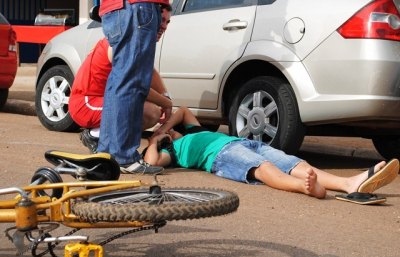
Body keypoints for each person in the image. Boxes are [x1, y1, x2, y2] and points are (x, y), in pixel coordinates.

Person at [144, 107, 399, 199]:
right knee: (264, 169)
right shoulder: (173, 150)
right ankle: (304, 188)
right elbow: (151, 161)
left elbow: (183, 110)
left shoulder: (192, 131)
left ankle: (348, 183)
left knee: (293, 161)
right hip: (221, 156)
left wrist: (165, 126)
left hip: (242, 142)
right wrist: (157, 140)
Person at [69, 6, 172, 156]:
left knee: (148, 108)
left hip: (102, 100)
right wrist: (166, 103)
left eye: (168, 22)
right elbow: (135, 84)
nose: (164, 26)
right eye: (161, 20)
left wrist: (166, 96)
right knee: (149, 112)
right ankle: (96, 136)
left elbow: (149, 70)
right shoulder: (121, 43)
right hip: (86, 103)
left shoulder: (135, 41)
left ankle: (111, 145)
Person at [97, 0, 171, 174]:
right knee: (131, 82)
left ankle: (108, 155)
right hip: (137, 8)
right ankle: (124, 157)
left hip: (115, 9)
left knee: (120, 82)